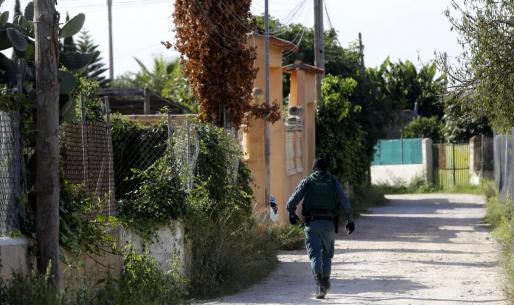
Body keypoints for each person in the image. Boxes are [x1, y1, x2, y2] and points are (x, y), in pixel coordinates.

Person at [286, 158, 355, 299]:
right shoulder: (333, 182)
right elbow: (345, 202)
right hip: (329, 225)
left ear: (314, 169)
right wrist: (350, 220)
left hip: (312, 224)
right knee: (327, 256)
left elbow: (291, 201)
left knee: (315, 255)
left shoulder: (308, 181)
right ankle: (324, 282)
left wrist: (292, 213)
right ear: (326, 169)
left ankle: (320, 283)